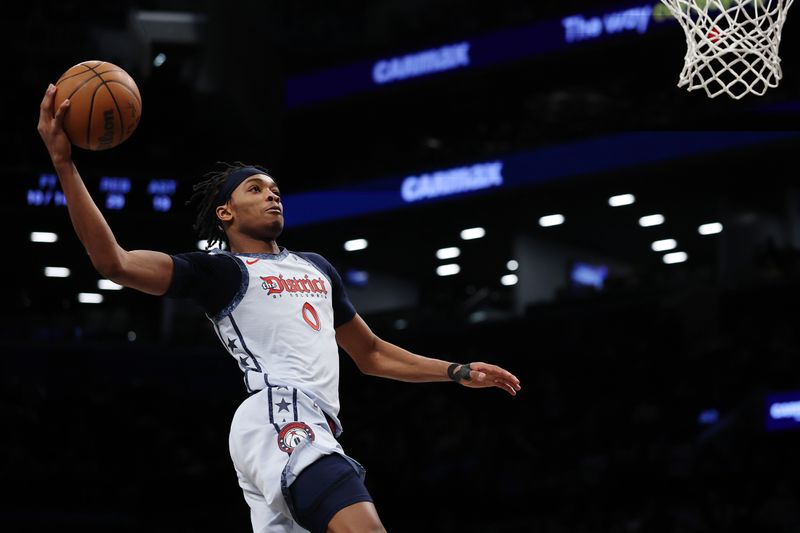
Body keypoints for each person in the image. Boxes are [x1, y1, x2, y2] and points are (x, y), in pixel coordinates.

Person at [37, 83, 522, 533]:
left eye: (275, 190)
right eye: (255, 189)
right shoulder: (222, 270)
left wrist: (457, 371)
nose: (271, 195)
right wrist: (65, 164)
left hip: (313, 422)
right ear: (225, 213)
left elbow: (371, 354)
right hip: (279, 413)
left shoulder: (316, 267)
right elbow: (115, 262)